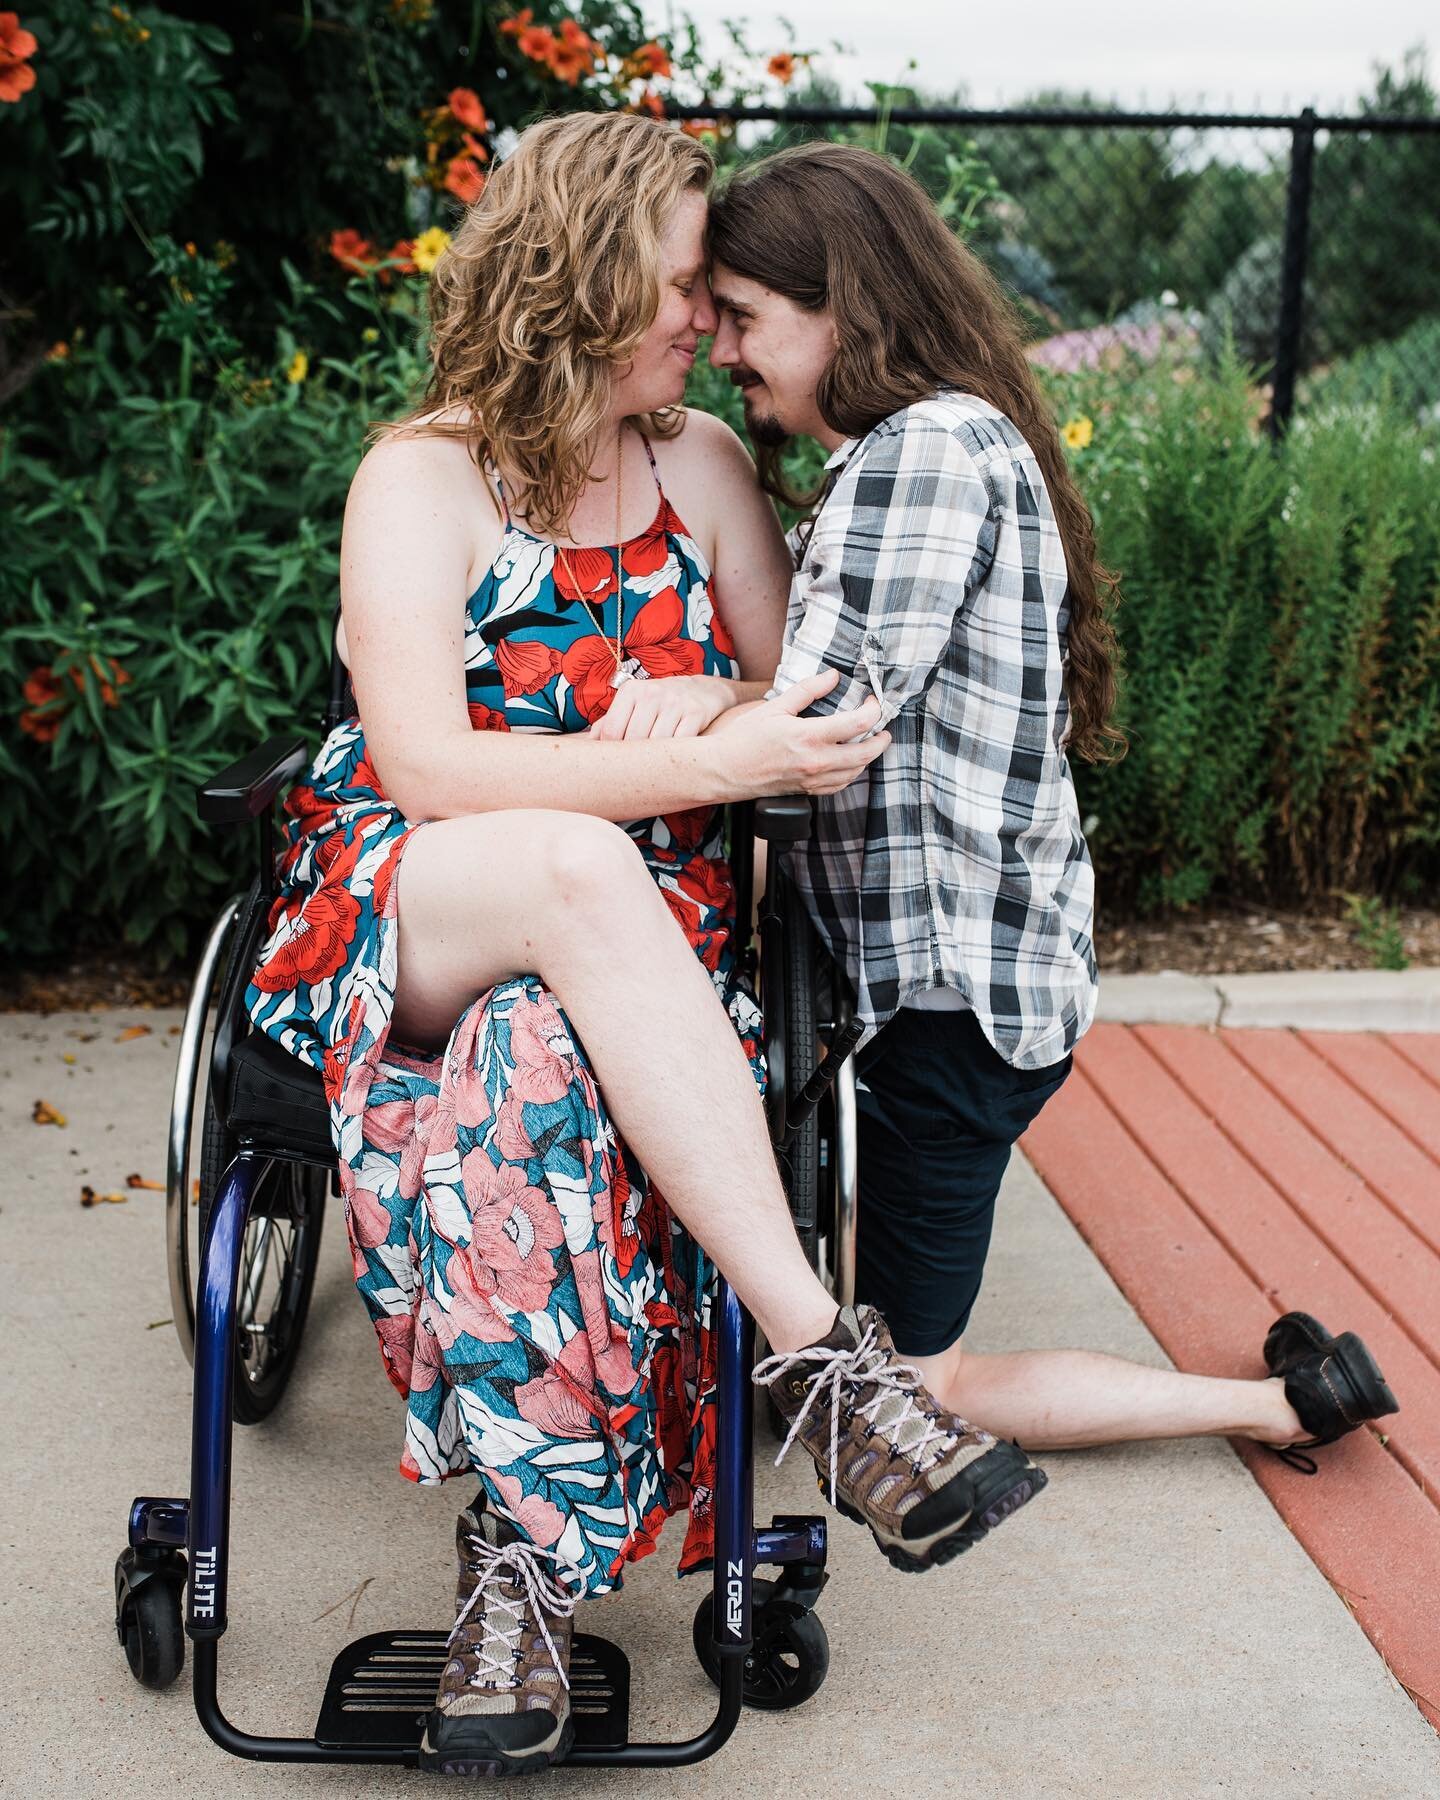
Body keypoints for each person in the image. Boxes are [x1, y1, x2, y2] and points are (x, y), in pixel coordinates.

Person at [244, 114, 1045, 1779]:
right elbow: (426, 767)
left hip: (633, 977)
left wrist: (738, 705)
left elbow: (797, 696)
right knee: (566, 864)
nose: (708, 320)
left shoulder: (698, 468)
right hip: (416, 902)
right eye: (686, 283)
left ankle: (517, 1580)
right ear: (586, 273)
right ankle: (827, 1364)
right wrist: (689, 763)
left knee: (537, 1062)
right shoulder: (422, 474)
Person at [703, 141, 1399, 1477]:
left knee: (921, 1381)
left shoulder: (919, 454)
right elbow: (837, 684)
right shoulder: (936, 436)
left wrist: (681, 701)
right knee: (875, 1316)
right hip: (970, 976)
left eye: (744, 315)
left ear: (837, 302)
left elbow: (821, 727)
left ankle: (1279, 1404)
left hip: (956, 1002)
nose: (727, 347)